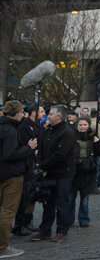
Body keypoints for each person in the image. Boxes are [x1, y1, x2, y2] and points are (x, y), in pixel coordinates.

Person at [30, 105, 76, 242]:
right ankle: (45, 230)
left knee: (62, 203)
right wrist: (39, 162)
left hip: (63, 172)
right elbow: (41, 147)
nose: (47, 116)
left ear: (59, 117)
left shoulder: (67, 132)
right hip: (49, 172)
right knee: (48, 202)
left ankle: (62, 230)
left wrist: (42, 164)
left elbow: (60, 155)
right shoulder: (48, 130)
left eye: (50, 114)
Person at [0, 101, 37, 258]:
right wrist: (29, 148)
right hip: (11, 176)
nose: (23, 115)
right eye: (22, 112)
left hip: (3, 174)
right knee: (7, 212)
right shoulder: (11, 131)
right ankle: (2, 247)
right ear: (14, 113)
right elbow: (10, 154)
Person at [68, 118, 100, 228]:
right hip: (74, 171)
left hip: (88, 171)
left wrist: (98, 143)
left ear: (88, 126)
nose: (82, 127)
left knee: (85, 197)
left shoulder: (92, 137)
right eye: (80, 124)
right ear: (77, 125)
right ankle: (69, 220)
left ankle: (83, 218)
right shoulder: (71, 137)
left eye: (84, 124)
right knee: (71, 198)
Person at [11, 104, 38, 238]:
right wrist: (30, 148)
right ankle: (20, 225)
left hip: (29, 164)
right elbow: (12, 152)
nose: (23, 115)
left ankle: (27, 221)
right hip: (21, 167)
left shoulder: (36, 125)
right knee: (21, 198)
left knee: (30, 195)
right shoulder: (21, 128)